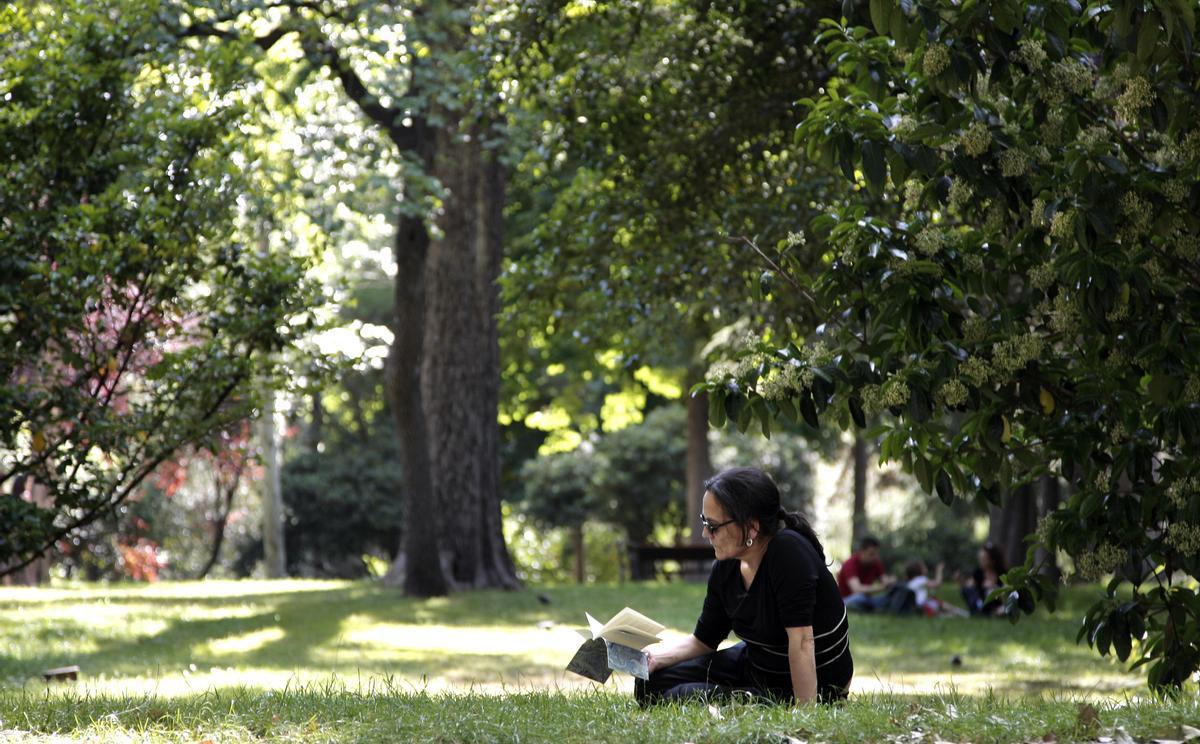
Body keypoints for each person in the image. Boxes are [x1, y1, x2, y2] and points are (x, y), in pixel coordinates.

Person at [636, 467, 852, 705]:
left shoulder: (788, 552)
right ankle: (739, 694)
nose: (705, 533)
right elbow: (703, 641)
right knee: (647, 682)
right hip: (757, 665)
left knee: (680, 696)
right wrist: (656, 658)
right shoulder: (726, 567)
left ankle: (749, 698)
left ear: (752, 528)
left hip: (810, 682)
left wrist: (805, 714)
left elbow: (802, 641)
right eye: (704, 521)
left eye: (714, 525)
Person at [836, 536, 895, 612]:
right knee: (859, 598)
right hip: (848, 600)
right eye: (871, 554)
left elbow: (885, 580)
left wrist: (891, 580)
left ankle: (871, 607)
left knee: (886, 598)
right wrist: (881, 587)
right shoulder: (850, 564)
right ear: (862, 551)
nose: (875, 557)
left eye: (876, 554)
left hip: (866, 599)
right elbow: (857, 589)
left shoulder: (875, 563)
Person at [904, 560, 968, 617]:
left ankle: (957, 613)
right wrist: (939, 570)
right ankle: (961, 614)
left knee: (934, 601)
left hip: (916, 607)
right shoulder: (920, 579)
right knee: (939, 605)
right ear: (918, 569)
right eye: (923, 566)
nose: (926, 568)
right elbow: (937, 584)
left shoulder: (910, 582)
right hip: (922, 607)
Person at [960, 542, 1007, 617]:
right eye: (980, 559)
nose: (981, 562)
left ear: (992, 560)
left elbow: (1007, 593)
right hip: (981, 602)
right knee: (966, 590)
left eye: (984, 559)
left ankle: (993, 612)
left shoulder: (1002, 573)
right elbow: (970, 587)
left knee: (990, 593)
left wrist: (994, 587)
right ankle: (979, 611)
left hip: (997, 603)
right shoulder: (978, 572)